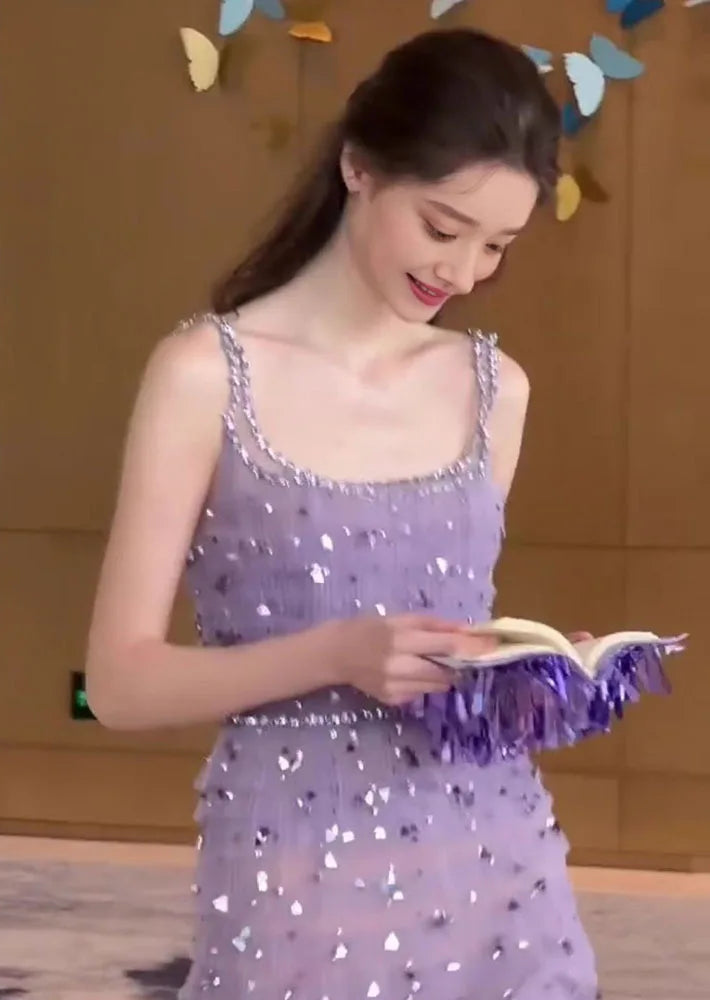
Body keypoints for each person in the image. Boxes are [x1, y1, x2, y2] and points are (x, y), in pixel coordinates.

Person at [86, 27, 599, 1000]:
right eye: (443, 229)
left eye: (497, 246)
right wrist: (336, 655)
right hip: (297, 873)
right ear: (359, 166)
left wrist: (525, 672)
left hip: (498, 868)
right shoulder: (204, 377)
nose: (464, 273)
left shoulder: (496, 391)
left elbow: (441, 645)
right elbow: (118, 681)